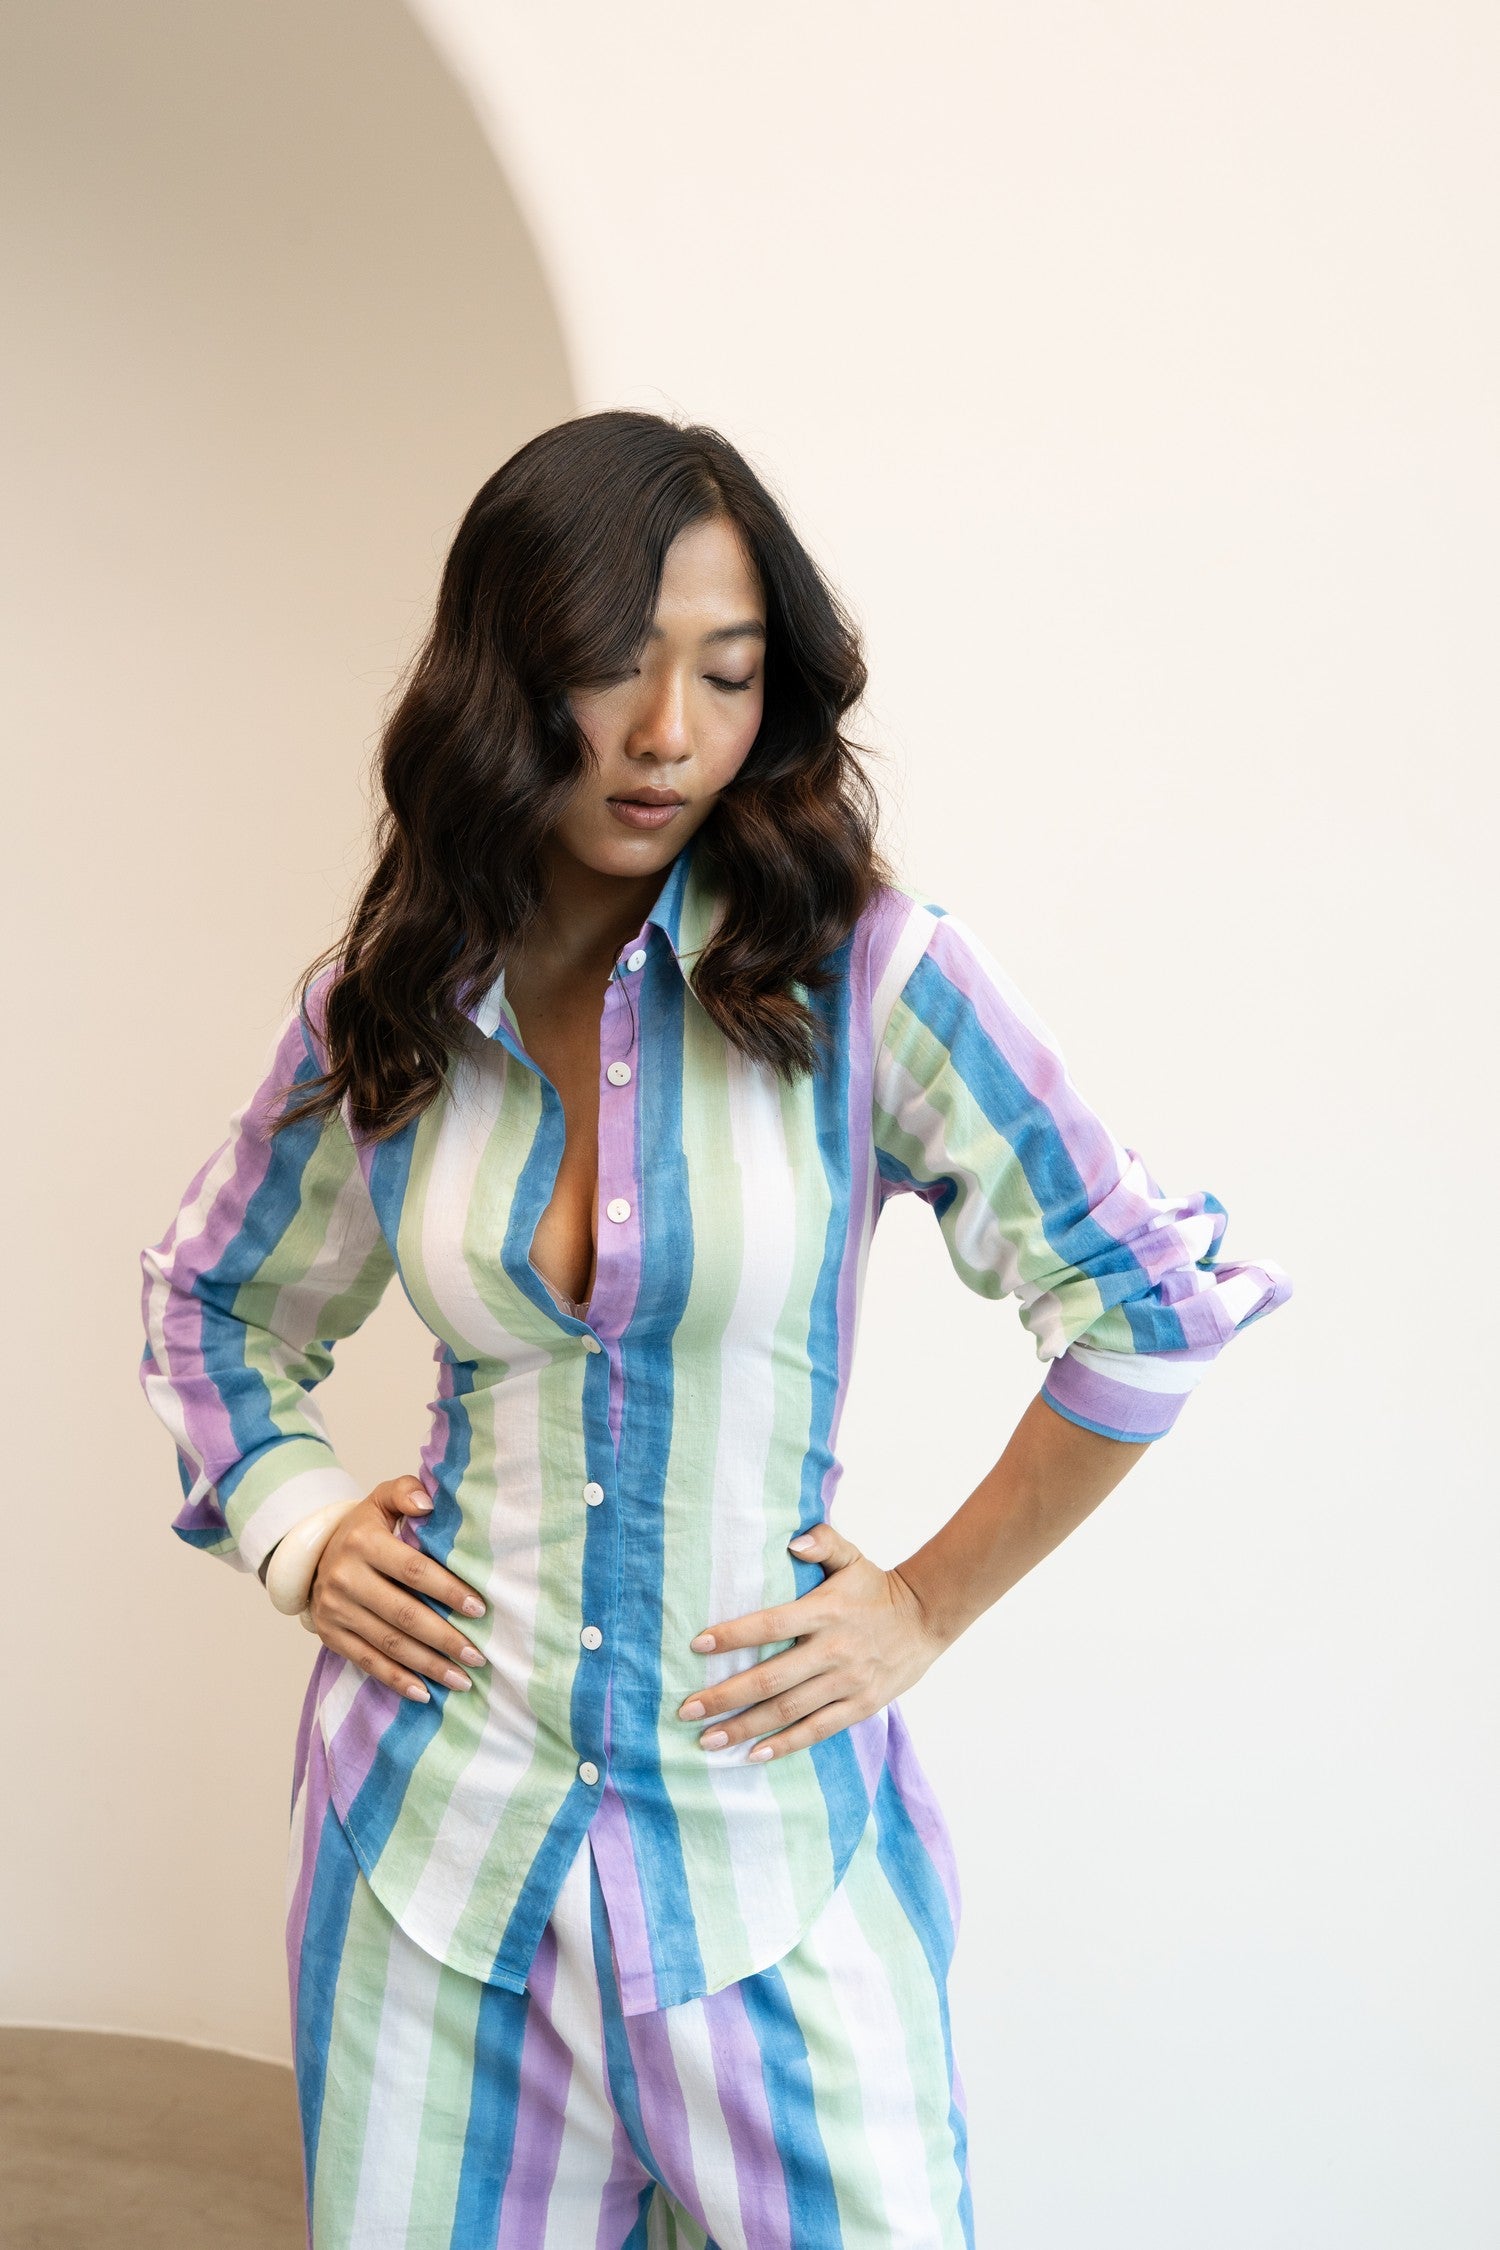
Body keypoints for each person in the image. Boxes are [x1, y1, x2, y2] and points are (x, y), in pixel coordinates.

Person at [138, 408, 1291, 2249]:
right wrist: (297, 1525)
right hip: (434, 1851)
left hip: (765, 1861)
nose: (670, 731)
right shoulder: (392, 1004)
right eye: (616, 663)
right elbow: (211, 1300)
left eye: (730, 675)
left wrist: (925, 1604)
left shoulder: (871, 979)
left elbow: (1150, 1301)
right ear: (505, 671)